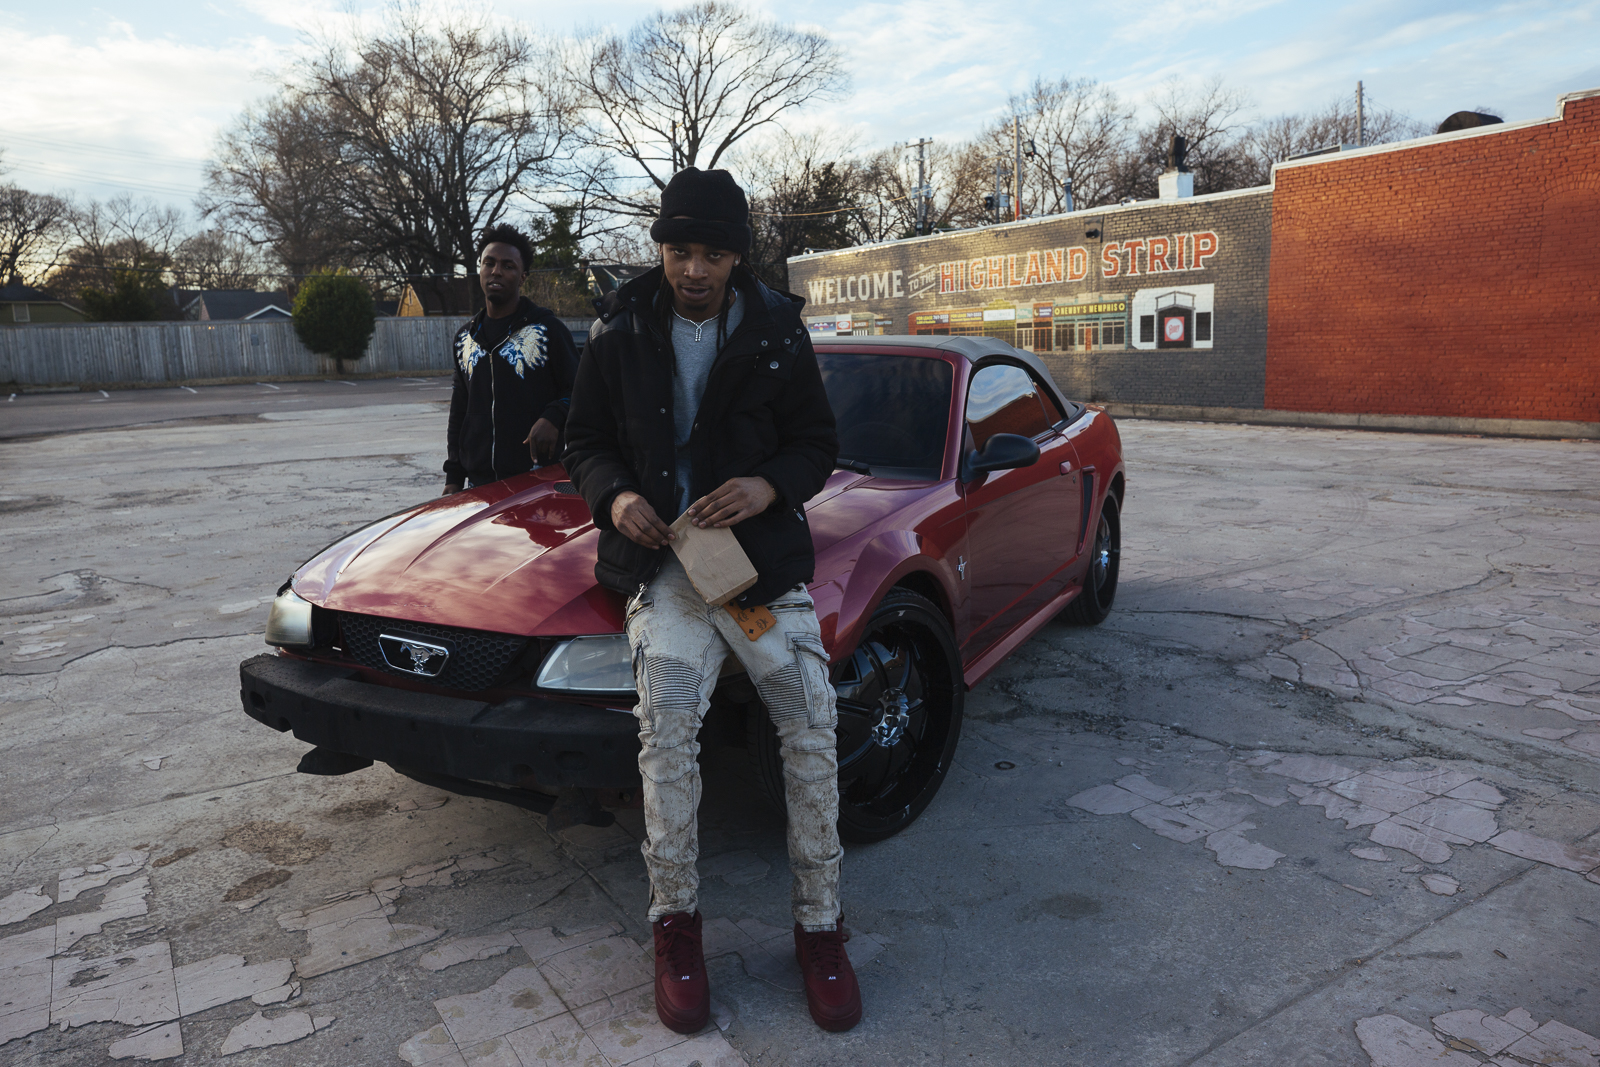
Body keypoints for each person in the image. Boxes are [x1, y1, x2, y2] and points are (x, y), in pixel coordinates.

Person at [563, 168, 860, 1034]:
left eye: (715, 253)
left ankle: (820, 927)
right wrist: (615, 499)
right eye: (680, 249)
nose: (695, 268)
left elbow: (818, 444)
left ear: (739, 254)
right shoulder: (617, 329)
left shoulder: (777, 330)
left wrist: (768, 486)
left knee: (812, 724)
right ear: (660, 245)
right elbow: (584, 442)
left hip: (758, 571)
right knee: (666, 728)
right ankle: (676, 926)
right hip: (663, 572)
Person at [442, 223, 579, 494]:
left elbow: (581, 389)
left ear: (523, 276)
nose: (496, 271)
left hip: (538, 481)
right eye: (489, 263)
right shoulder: (464, 339)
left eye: (508, 266)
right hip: (478, 486)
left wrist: (553, 416)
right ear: (479, 268)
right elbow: (459, 411)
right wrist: (453, 477)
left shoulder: (547, 330)